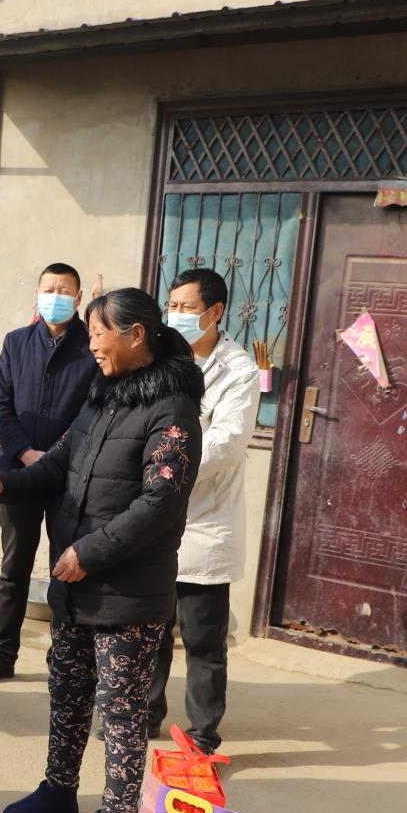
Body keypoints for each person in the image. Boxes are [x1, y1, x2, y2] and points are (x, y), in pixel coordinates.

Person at [0, 287, 202, 813]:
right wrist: (2, 483)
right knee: (67, 691)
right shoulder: (101, 396)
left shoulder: (173, 409)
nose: (91, 343)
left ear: (136, 335)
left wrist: (89, 553)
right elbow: (57, 464)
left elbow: (160, 503)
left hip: (127, 588)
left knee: (120, 709)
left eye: (99, 332)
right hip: (76, 581)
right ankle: (58, 790)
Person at [0, 263, 99, 684]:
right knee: (14, 566)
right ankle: (1, 653)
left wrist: (53, 457)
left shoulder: (91, 348)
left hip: (68, 476)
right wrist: (24, 453)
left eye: (65, 290)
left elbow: (91, 413)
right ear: (37, 294)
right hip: (16, 473)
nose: (56, 296)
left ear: (78, 298)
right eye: (49, 289)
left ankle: (64, 657)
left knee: (66, 567)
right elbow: (1, 404)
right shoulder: (16, 342)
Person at [147, 268, 260, 752]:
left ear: (215, 312)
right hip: (155, 516)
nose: (176, 315)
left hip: (204, 521)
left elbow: (226, 443)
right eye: (171, 306)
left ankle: (201, 735)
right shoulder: (160, 356)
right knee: (149, 629)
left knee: (202, 640)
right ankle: (144, 714)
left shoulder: (239, 370)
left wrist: (164, 465)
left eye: (187, 308)